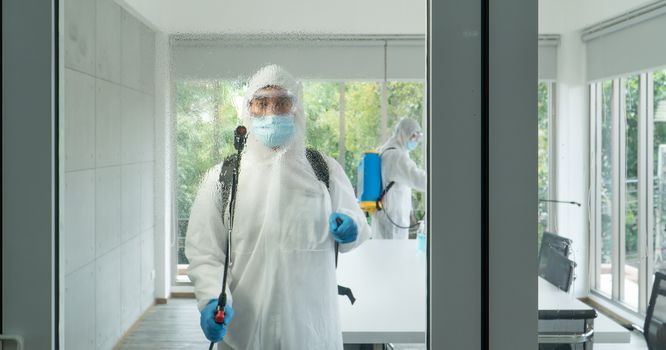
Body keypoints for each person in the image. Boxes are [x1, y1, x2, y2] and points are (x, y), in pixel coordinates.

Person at [185, 64, 370, 350]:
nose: (272, 112)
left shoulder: (324, 171)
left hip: (312, 332)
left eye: (282, 102)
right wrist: (211, 299)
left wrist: (352, 227)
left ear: (296, 110)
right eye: (261, 103)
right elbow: (204, 250)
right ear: (248, 111)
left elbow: (357, 223)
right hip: (243, 335)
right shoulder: (224, 178)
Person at [371, 118, 426, 240]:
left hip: (383, 217)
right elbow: (417, 178)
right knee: (393, 257)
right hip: (392, 221)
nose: (415, 141)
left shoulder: (384, 149)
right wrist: (440, 181)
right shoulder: (395, 156)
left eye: (418, 137)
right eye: (413, 136)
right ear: (403, 134)